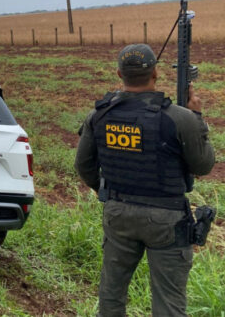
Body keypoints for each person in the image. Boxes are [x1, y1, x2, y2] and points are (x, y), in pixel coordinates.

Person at [74, 43, 215, 316]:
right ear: (156, 73)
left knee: (111, 296)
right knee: (169, 305)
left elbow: (83, 165)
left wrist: (105, 191)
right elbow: (203, 165)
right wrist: (197, 117)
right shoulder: (180, 117)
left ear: (119, 74)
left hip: (117, 213)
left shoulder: (100, 114)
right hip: (167, 219)